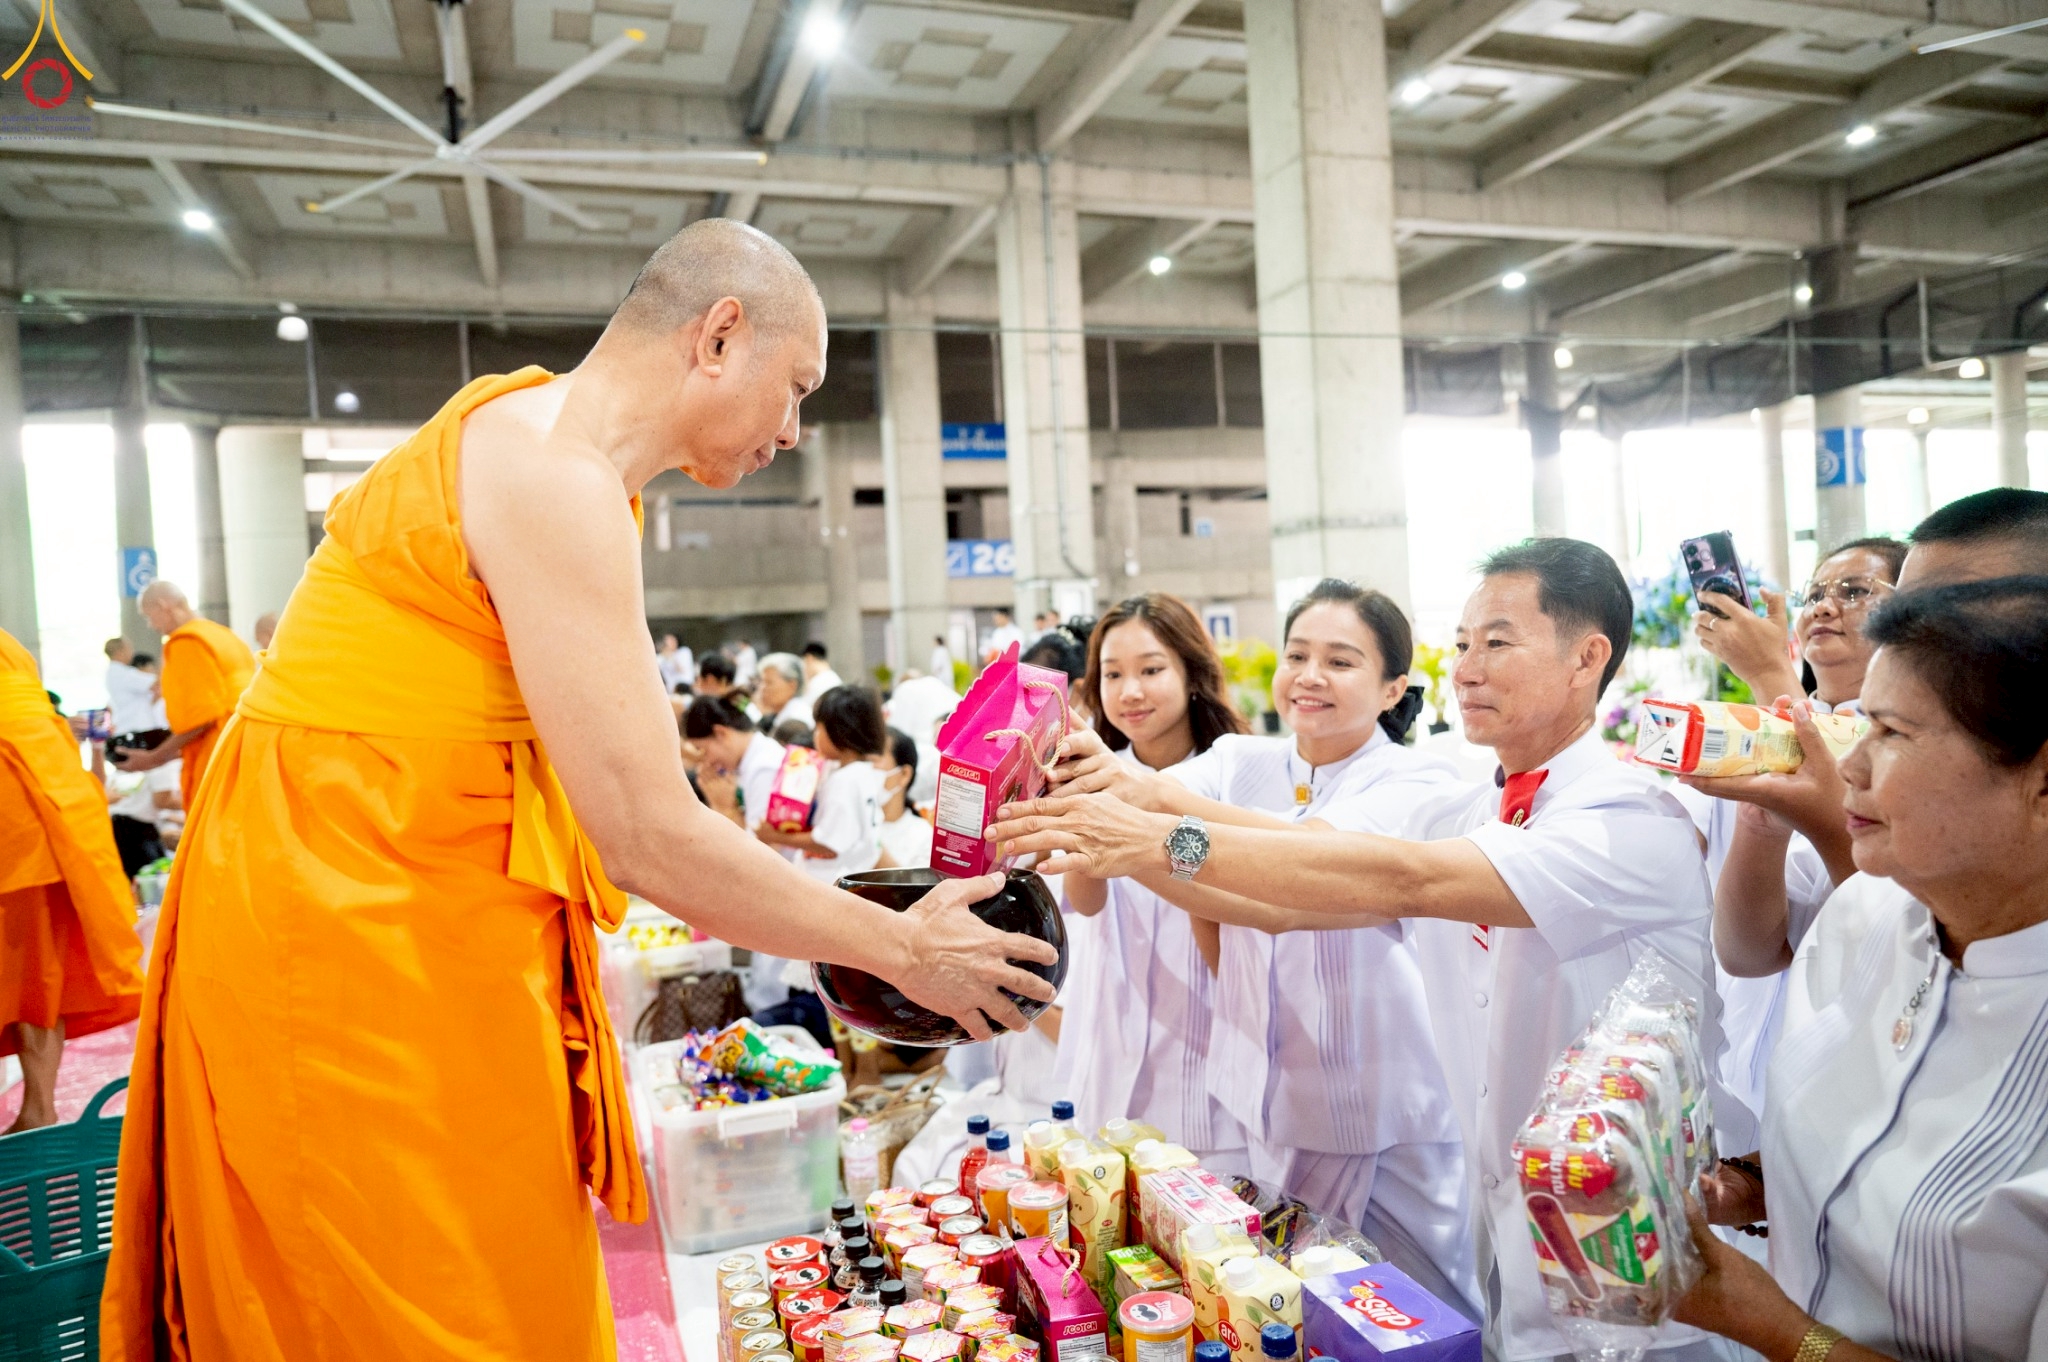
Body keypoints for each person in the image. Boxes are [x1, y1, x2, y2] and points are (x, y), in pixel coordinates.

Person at [100, 219, 1058, 1362]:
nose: (793, 431)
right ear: (718, 336)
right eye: (795, 388)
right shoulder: (553, 473)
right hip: (343, 936)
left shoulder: (559, 463)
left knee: (504, 1274)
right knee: (416, 1306)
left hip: (415, 918)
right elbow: (646, 833)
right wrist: (902, 948)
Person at [989, 538, 1725, 1362]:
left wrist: (1155, 838)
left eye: (1497, 642)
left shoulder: (1625, 817)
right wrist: (1131, 800)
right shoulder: (1471, 809)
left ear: (1587, 658)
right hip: (1514, 1230)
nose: (1467, 668)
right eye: (1464, 642)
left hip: (1629, 1247)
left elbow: (1396, 876)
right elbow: (1289, 889)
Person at [1052, 585, 1471, 1312]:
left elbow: (1302, 867)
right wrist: (1094, 778)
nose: (1310, 677)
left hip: (1375, 1108)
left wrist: (1156, 813)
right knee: (1283, 1318)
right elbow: (1155, 818)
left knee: (1421, 1316)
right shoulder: (1238, 760)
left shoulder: (1419, 780)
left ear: (1393, 687)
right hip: (1259, 1103)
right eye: (1297, 656)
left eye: (1340, 661)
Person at [1674, 575, 2048, 1362]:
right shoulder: (1867, 915)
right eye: (1859, 725)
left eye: (1891, 733)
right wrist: (1742, 1184)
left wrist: (1772, 1327)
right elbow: (1860, 1134)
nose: (1850, 766)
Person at [1680, 536, 1905, 1147]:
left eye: (1855, 591)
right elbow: (1747, 951)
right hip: (1747, 1045)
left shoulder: (1905, 747)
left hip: (1858, 1054)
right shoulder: (1742, 732)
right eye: (1815, 594)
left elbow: (1886, 910)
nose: (1824, 606)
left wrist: (1769, 674)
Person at [1048, 594, 1251, 1159]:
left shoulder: (1232, 774)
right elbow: (1087, 903)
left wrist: (1136, 839)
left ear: (1192, 673)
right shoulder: (1095, 774)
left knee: (1206, 1177)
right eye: (1112, 674)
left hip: (1209, 1009)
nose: (1130, 691)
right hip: (1117, 1002)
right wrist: (1077, 815)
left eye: (1151, 670)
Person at [1, 627, 145, 1133]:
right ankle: (37, 1107)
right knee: (35, 974)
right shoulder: (10, 650)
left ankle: (38, 1109)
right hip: (52, 807)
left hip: (20, 820)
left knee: (31, 974)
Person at [755, 685, 891, 1048]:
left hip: (832, 891)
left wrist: (775, 835)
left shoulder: (846, 780)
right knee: (841, 990)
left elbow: (830, 844)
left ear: (841, 731)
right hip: (847, 889)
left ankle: (847, 1060)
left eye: (820, 727)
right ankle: (845, 1058)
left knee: (835, 989)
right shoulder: (858, 773)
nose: (815, 734)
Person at [110, 579, 256, 814]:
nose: (151, 625)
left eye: (149, 616)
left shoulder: (186, 642)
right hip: (249, 746)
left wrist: (154, 758)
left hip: (219, 756)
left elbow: (204, 716)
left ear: (163, 605)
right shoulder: (224, 636)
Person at [682, 693, 784, 834]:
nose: (706, 762)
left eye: (703, 750)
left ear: (721, 733)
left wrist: (726, 808)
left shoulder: (764, 768)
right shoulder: (747, 761)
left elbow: (758, 845)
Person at [875, 727, 934, 870]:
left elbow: (912, 884)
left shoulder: (923, 836)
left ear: (904, 775)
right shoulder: (844, 821)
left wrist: (870, 844)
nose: (865, 768)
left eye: (874, 758)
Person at [103, 636, 166, 734]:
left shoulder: (113, 673)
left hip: (129, 727)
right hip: (135, 729)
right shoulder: (123, 673)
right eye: (129, 649)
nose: (132, 653)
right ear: (119, 652)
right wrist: (164, 659)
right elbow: (157, 683)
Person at [756, 651, 814, 730]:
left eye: (769, 682)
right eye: (762, 682)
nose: (762, 688)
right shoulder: (775, 716)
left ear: (792, 686)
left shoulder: (797, 719)